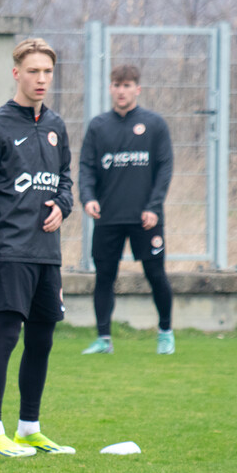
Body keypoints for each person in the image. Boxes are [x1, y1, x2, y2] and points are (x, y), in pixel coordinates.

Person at [0, 38, 75, 458]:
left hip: (46, 253)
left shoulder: (56, 126)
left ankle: (29, 427)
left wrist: (63, 205)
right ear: (17, 73)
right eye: (33, 71)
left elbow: (65, 177)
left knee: (42, 339)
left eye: (47, 72)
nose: (41, 79)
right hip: (8, 250)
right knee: (6, 335)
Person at [79, 64, 175, 355]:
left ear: (137, 89)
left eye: (127, 85)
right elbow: (85, 167)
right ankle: (103, 339)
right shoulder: (98, 126)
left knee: (155, 274)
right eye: (117, 85)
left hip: (145, 218)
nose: (122, 91)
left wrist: (154, 206)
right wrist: (88, 197)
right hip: (108, 216)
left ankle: (166, 332)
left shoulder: (154, 124)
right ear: (111, 88)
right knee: (104, 277)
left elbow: (165, 168)